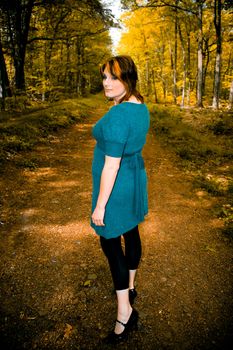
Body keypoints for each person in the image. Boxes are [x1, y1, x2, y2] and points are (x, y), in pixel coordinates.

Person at [91, 55, 150, 343]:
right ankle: (130, 285)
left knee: (110, 242)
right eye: (104, 76)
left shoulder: (117, 116)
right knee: (132, 232)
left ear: (128, 78)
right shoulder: (140, 106)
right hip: (135, 179)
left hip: (116, 186)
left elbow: (111, 165)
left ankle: (125, 313)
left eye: (114, 77)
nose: (107, 83)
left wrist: (100, 205)